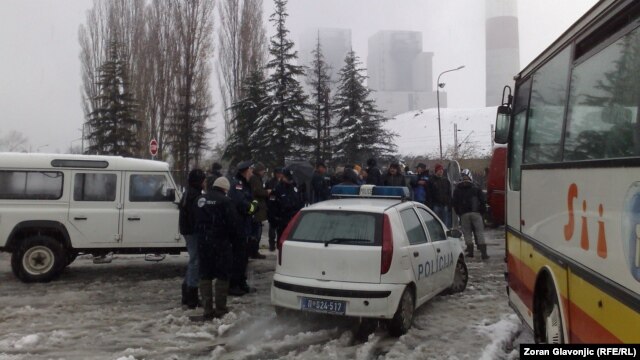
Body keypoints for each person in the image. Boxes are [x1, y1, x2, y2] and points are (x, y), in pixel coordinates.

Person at [190, 176, 241, 321]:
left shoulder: (200, 200)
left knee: (205, 275)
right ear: (225, 188)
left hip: (203, 243)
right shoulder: (226, 201)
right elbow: (233, 224)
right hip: (221, 243)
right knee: (222, 275)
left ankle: (207, 309)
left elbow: (193, 218)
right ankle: (220, 309)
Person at [227, 161, 258, 296]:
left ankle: (241, 282)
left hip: (245, 225)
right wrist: (254, 206)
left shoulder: (245, 184)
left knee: (243, 257)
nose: (252, 172)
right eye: (250, 170)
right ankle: (233, 285)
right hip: (238, 226)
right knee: (238, 257)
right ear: (245, 171)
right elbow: (242, 205)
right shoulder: (237, 185)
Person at [178, 168, 206, 309]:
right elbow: (197, 216)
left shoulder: (189, 192)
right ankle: (192, 296)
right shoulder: (195, 196)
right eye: (203, 180)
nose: (205, 183)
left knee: (193, 261)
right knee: (195, 261)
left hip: (187, 230)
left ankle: (187, 293)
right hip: (192, 231)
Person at [452, 169, 489, 260]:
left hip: (464, 214)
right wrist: (482, 211)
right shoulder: (476, 187)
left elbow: (454, 203)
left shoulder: (457, 189)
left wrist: (459, 213)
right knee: (479, 232)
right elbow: (483, 200)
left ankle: (470, 251)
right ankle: (483, 253)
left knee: (467, 233)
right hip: (476, 213)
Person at [273, 168, 304, 242]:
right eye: (288, 178)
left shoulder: (294, 187)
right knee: (282, 241)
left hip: (294, 218)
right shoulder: (278, 189)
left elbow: (299, 201)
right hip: (282, 220)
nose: (290, 180)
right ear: (283, 177)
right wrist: (276, 220)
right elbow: (273, 206)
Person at [248, 162, 269, 259]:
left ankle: (253, 251)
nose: (264, 173)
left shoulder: (256, 178)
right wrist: (267, 192)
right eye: (263, 171)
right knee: (256, 232)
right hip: (256, 208)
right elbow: (258, 191)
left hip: (257, 207)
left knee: (257, 231)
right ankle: (253, 251)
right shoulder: (255, 179)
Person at [265, 167, 284, 251]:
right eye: (278, 173)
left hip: (280, 207)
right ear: (275, 173)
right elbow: (268, 193)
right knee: (272, 228)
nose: (280, 175)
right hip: (272, 206)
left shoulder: (283, 182)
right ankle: (271, 245)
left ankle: (278, 244)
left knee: (280, 228)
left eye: (281, 173)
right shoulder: (270, 182)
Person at [430, 163, 452, 228]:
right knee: (436, 222)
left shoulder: (446, 181)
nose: (441, 172)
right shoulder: (431, 180)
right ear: (436, 171)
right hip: (436, 205)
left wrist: (448, 203)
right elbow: (429, 193)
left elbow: (449, 192)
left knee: (445, 223)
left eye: (441, 170)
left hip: (445, 205)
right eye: (439, 170)